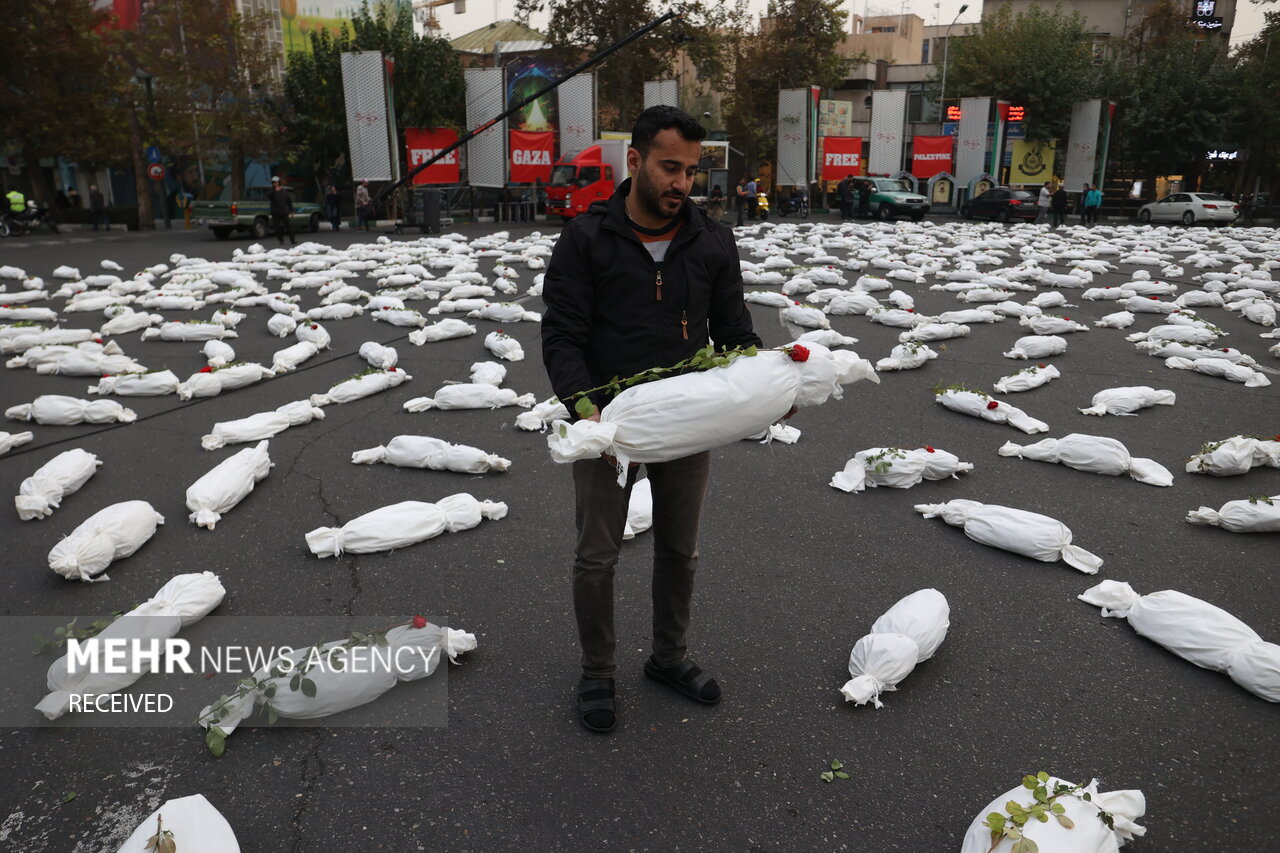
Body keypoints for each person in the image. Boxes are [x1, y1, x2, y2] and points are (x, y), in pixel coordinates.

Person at [541, 105, 764, 735]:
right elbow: (561, 336)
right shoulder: (587, 238)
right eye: (670, 167)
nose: (682, 183)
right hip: (607, 422)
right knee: (597, 556)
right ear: (634, 161)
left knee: (679, 550)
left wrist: (770, 387)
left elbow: (737, 335)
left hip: (688, 423)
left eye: (692, 171)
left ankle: (669, 659)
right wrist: (587, 413)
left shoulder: (712, 241)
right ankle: (598, 671)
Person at [268, 176, 296, 245]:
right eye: (274, 182)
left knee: (288, 226)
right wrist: (274, 191)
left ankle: (292, 240)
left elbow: (289, 201)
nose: (275, 184)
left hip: (284, 211)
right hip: (275, 212)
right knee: (277, 228)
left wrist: (291, 211)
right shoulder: (271, 191)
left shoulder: (284, 191)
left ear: (279, 182)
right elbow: (269, 195)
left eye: (276, 182)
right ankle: (281, 240)